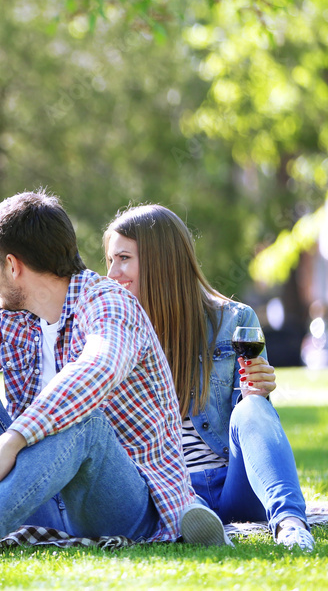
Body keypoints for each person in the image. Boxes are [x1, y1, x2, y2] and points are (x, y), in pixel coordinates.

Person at [0, 191, 198, 565]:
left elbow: (96, 370)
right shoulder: (8, 318)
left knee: (85, 420)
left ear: (13, 266)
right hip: (39, 492)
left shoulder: (109, 303)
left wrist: (13, 439)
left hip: (123, 505)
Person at [104, 204, 315, 552]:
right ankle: (194, 520)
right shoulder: (115, 333)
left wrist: (258, 393)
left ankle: (291, 526)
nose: (113, 273)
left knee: (253, 409)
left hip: (234, 484)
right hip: (169, 491)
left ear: (162, 260)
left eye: (123, 258)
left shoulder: (233, 320)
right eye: (111, 260)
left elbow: (252, 426)